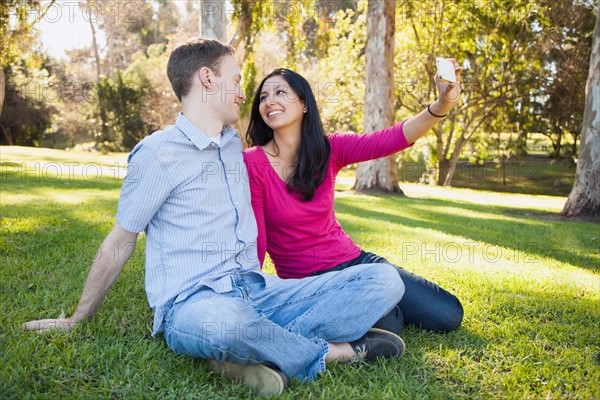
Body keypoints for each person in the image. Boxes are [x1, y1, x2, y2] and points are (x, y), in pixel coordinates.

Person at [20, 38, 409, 398]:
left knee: (383, 280)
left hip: (257, 290)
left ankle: (244, 356)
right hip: (195, 301)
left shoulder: (230, 146)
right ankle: (336, 352)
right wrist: (76, 318)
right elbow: (121, 238)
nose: (244, 92)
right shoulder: (159, 153)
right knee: (228, 325)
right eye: (236, 79)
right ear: (207, 78)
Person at [243, 66, 464, 336]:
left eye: (280, 92)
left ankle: (375, 302)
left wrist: (442, 104)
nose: (270, 101)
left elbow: (390, 138)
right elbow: (257, 237)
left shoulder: (330, 148)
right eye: (263, 97)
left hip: (356, 262)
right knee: (390, 322)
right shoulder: (253, 162)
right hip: (309, 281)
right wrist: (251, 292)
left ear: (304, 104)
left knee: (449, 313)